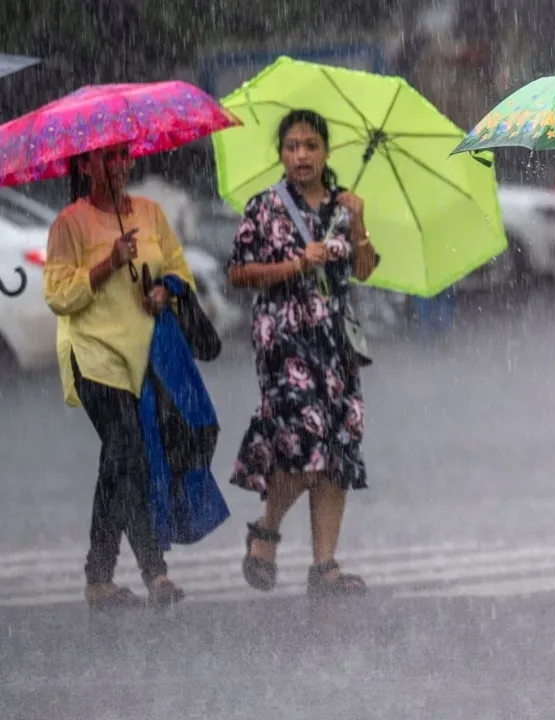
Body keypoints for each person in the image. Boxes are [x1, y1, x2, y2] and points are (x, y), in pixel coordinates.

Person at [228, 109, 380, 598]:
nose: (301, 155)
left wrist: (358, 223)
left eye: (311, 146)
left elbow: (364, 268)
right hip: (284, 338)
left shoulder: (343, 203)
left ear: (326, 152)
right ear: (281, 154)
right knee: (301, 442)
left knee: (336, 448)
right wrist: (296, 264)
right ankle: (267, 529)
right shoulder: (265, 206)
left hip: (335, 340)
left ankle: (325, 565)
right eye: (292, 146)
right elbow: (239, 272)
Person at [43, 143, 194, 609]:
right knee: (129, 455)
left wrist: (163, 294)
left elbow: (178, 271)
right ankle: (156, 573)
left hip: (140, 358)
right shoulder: (70, 223)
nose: (118, 165)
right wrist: (108, 262)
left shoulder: (149, 213)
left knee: (117, 463)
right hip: (92, 357)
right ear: (85, 165)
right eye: (106, 157)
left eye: (123, 155)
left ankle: (99, 579)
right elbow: (59, 296)